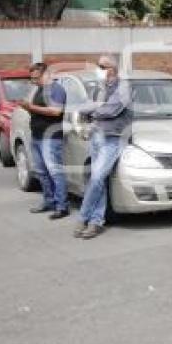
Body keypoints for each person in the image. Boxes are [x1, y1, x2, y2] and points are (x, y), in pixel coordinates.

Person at [74, 55, 132, 240]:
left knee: (97, 177)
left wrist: (96, 108)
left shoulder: (124, 87)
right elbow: (83, 107)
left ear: (111, 69)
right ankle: (96, 221)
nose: (98, 69)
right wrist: (98, 106)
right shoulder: (99, 87)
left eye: (101, 66)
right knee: (98, 179)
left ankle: (83, 217)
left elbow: (112, 109)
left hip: (112, 138)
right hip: (96, 136)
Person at [19, 63, 69, 219]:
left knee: (55, 172)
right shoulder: (39, 89)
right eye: (32, 78)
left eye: (37, 78)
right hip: (37, 135)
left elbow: (56, 111)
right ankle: (49, 201)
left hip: (51, 137)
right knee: (41, 171)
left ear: (46, 74)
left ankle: (62, 206)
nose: (34, 81)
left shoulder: (56, 89)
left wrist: (31, 107)